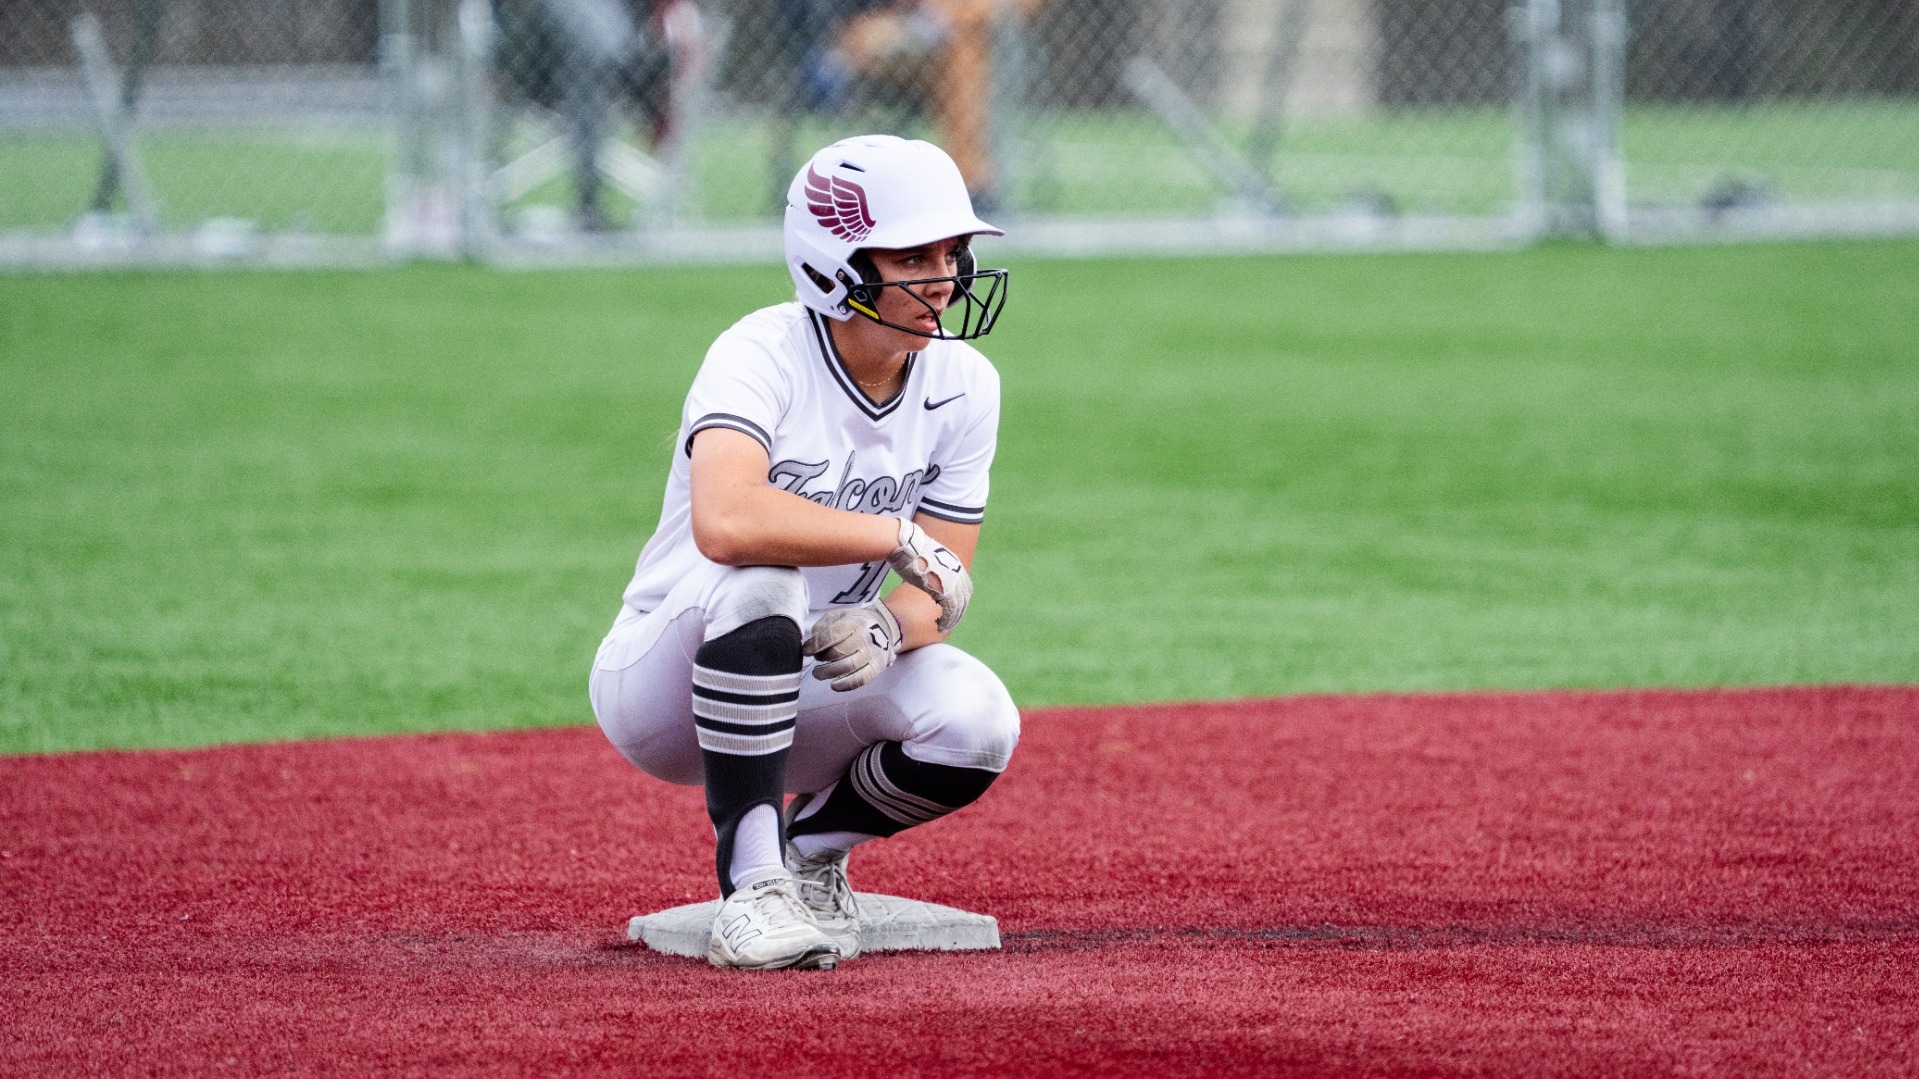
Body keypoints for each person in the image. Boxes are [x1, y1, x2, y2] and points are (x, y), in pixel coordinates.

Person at [589, 134, 1018, 971]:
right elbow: (727, 520)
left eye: (952, 251)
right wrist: (890, 534)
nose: (944, 276)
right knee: (762, 581)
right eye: (912, 254)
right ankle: (750, 888)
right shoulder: (760, 351)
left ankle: (807, 854)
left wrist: (893, 630)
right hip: (667, 678)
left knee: (978, 720)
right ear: (834, 264)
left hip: (815, 670)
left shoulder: (966, 383)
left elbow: (944, 577)